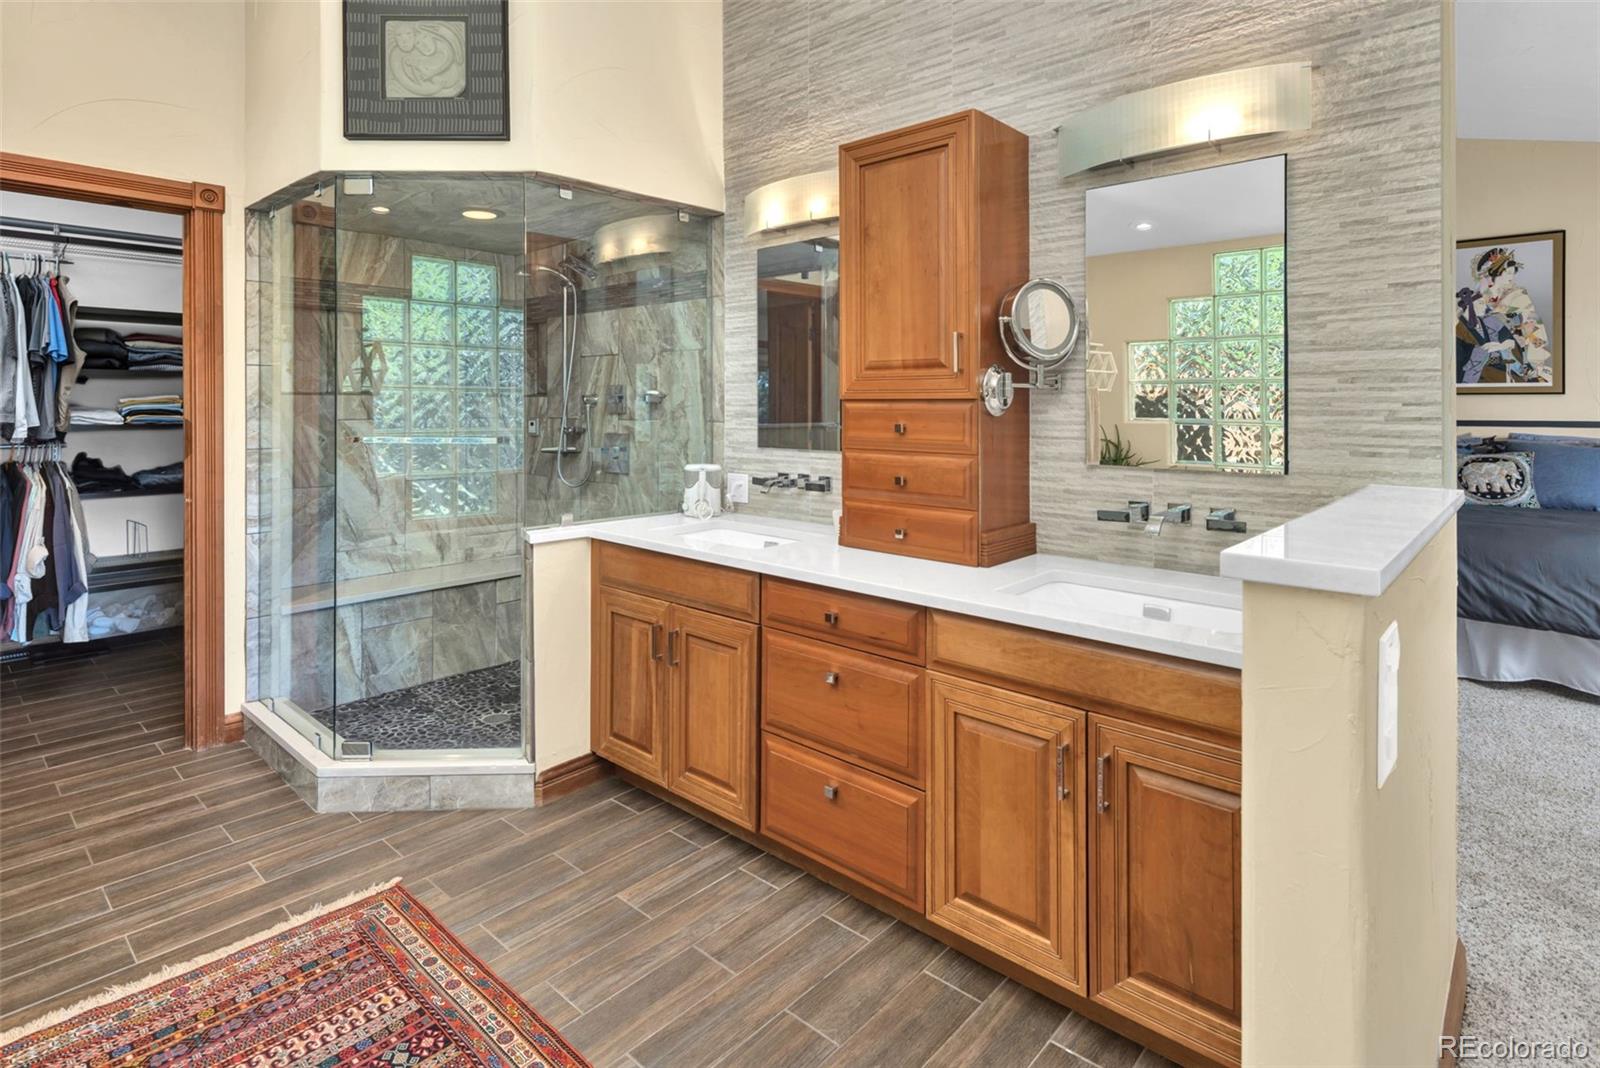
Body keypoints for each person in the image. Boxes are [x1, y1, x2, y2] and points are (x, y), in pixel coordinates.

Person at [1456, 246, 1554, 385]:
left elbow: (1532, 326)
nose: (1511, 277)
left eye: (1513, 273)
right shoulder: (1477, 296)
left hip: (1514, 351)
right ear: (1493, 273)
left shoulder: (1518, 297)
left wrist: (1511, 334)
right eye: (1507, 273)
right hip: (1480, 353)